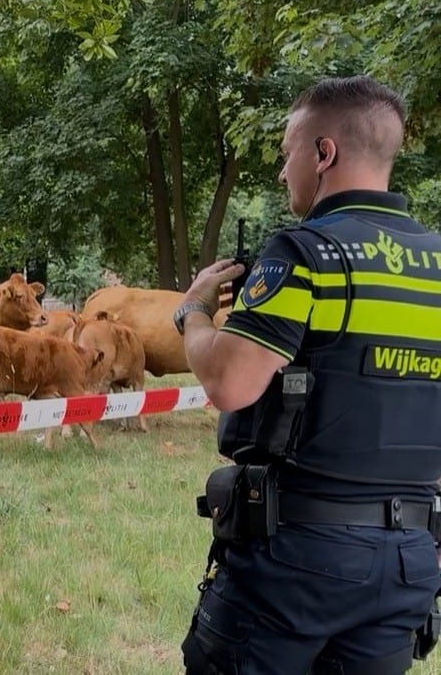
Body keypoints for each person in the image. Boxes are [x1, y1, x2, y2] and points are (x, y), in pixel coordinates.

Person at [173, 75, 441, 674]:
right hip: (410, 564)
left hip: (298, 563)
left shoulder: (306, 253)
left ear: (324, 154)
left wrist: (193, 311)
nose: (281, 172)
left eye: (287, 152)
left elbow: (229, 383)